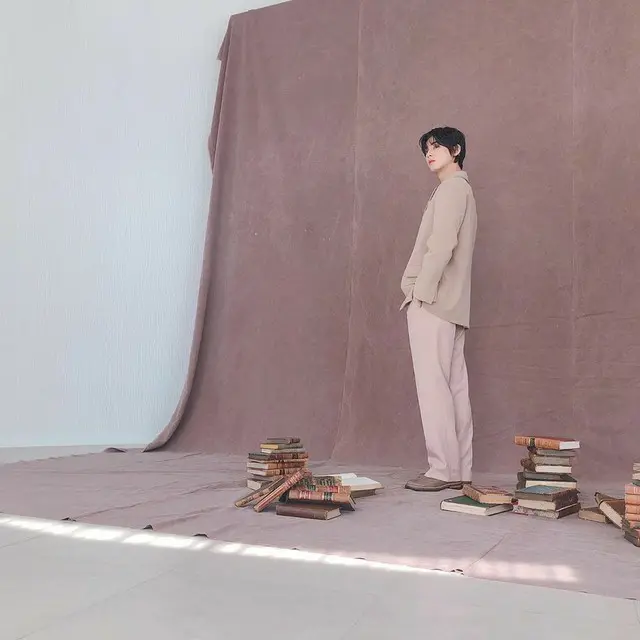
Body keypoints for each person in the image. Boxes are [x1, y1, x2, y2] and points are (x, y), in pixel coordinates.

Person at [400, 126, 477, 491]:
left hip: (434, 302)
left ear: (455, 150)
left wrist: (420, 292)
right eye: (425, 149)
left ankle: (442, 470)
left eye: (436, 147)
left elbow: (442, 245)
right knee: (454, 387)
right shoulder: (461, 189)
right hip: (453, 305)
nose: (429, 153)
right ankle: (459, 471)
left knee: (434, 387)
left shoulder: (451, 190)